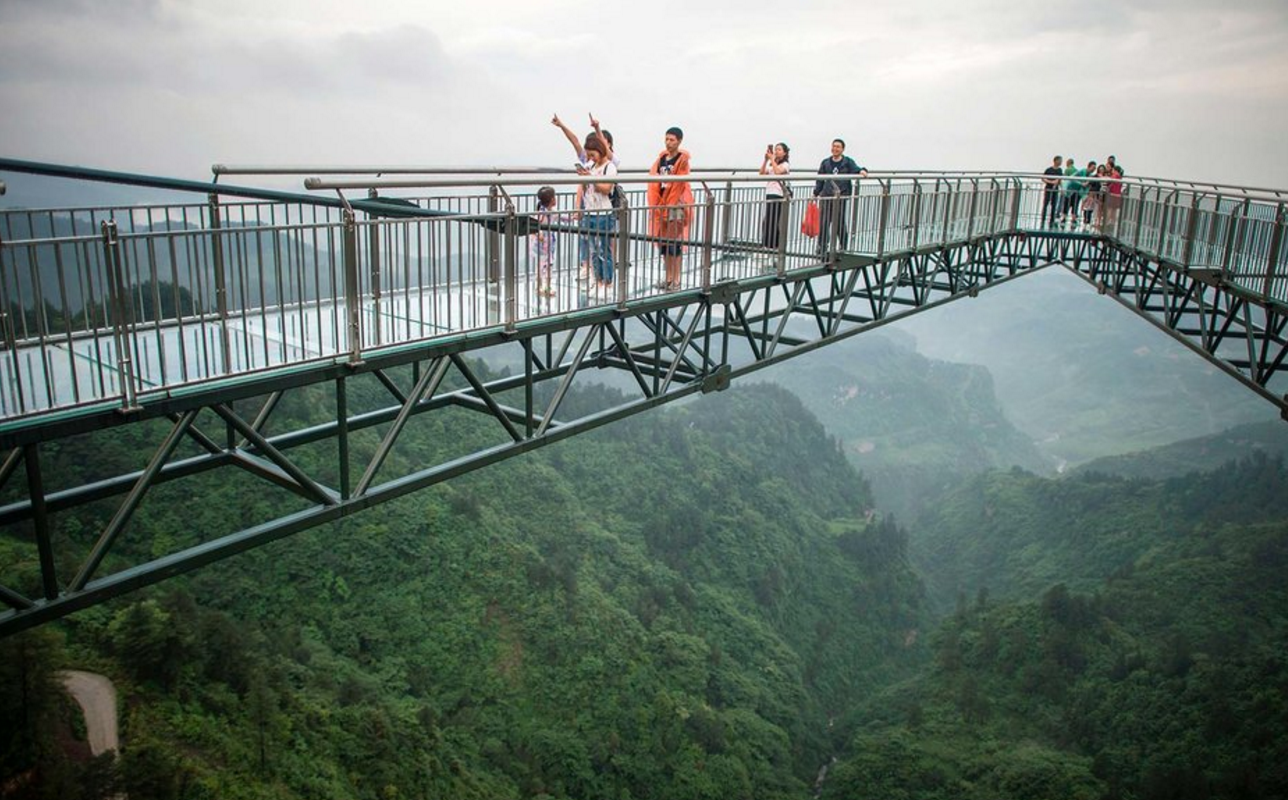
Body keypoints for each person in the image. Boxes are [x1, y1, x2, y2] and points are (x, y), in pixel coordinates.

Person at [647, 127, 693, 291]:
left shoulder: (682, 159)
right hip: (662, 205)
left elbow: (680, 183)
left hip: (676, 205)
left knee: (674, 243)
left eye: (671, 140)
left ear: (679, 141)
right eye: (666, 139)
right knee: (664, 243)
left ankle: (676, 280)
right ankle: (668, 278)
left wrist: (673, 201)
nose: (668, 142)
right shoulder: (661, 159)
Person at [576, 136, 618, 294]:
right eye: (589, 155)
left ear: (600, 151)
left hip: (603, 213)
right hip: (589, 211)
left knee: (604, 249)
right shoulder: (590, 166)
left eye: (593, 154)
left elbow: (607, 189)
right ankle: (597, 280)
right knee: (593, 250)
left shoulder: (610, 168)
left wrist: (591, 179)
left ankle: (607, 283)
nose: (590, 158)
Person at [813, 139, 866, 255]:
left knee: (839, 221)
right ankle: (822, 246)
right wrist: (816, 193)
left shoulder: (847, 162)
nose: (835, 149)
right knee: (824, 222)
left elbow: (856, 169)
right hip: (827, 196)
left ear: (842, 149)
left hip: (841, 196)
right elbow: (820, 178)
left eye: (838, 147)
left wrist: (863, 171)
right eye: (834, 146)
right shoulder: (826, 162)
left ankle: (843, 245)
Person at [531, 186, 565, 297]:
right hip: (541, 246)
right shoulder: (541, 213)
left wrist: (573, 216)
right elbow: (534, 225)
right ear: (551, 200)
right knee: (541, 267)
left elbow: (561, 217)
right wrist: (538, 233)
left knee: (549, 266)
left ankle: (547, 287)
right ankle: (539, 287)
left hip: (549, 245)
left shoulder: (552, 212)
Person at [552, 112, 617, 167]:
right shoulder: (586, 158)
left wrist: (597, 128)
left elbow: (603, 145)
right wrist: (561, 126)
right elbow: (575, 141)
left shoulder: (610, 160)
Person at [760, 142, 791, 249]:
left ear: (784, 153)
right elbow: (762, 173)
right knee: (768, 220)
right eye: (776, 149)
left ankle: (773, 245)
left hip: (778, 194)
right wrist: (765, 160)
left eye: (779, 150)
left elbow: (778, 172)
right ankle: (768, 244)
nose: (776, 151)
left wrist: (772, 159)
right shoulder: (772, 164)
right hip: (769, 192)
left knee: (773, 220)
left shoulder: (785, 165)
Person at [1042, 155, 1063, 228]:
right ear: (1056, 161)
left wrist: (1056, 183)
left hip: (1055, 188)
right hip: (1048, 187)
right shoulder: (1048, 169)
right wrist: (1050, 182)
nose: (1061, 162)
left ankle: (1052, 219)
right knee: (1045, 203)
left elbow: (1059, 179)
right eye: (1060, 160)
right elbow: (1043, 178)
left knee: (1054, 204)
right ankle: (1043, 218)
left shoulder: (1060, 170)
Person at [1060, 157, 1079, 227]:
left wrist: (1063, 189)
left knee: (1066, 204)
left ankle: (1064, 218)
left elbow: (1064, 180)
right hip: (1075, 191)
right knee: (1074, 205)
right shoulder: (1076, 170)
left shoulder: (1067, 170)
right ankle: (1073, 219)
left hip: (1068, 191)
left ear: (1068, 163)